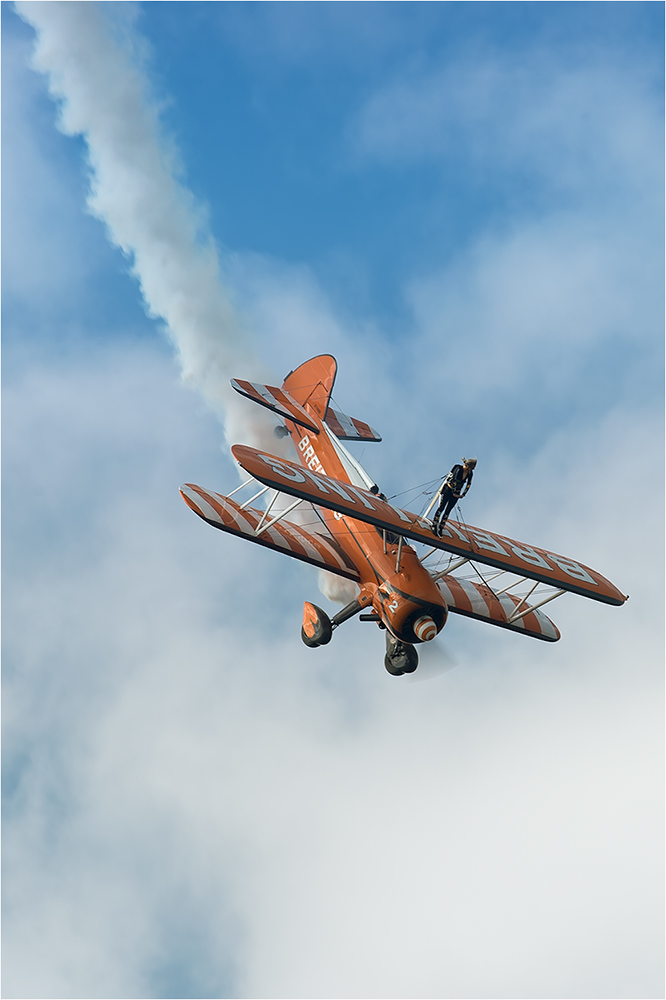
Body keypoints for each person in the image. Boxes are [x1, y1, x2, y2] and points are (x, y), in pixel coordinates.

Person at [432, 457, 477, 535]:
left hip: (456, 494)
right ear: (468, 465)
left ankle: (441, 526)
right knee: (441, 507)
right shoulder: (458, 468)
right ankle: (435, 523)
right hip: (448, 490)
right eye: (472, 467)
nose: (472, 469)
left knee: (448, 510)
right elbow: (454, 479)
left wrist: (463, 494)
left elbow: (469, 484)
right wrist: (454, 491)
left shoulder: (470, 473)